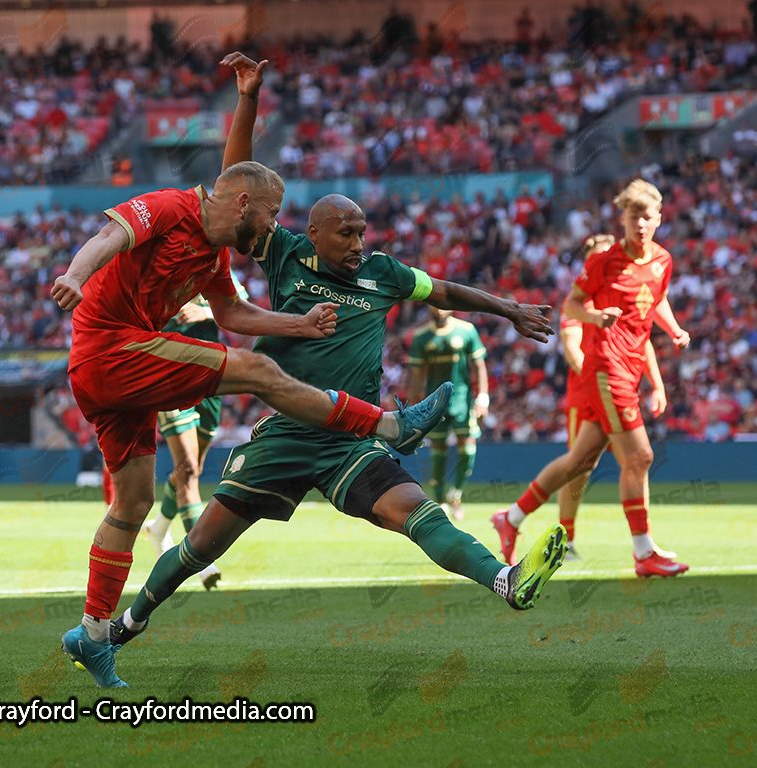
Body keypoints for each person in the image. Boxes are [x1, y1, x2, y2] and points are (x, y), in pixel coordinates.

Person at [86, 55, 563, 686]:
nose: (358, 242)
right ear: (312, 233)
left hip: (348, 444)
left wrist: (508, 310)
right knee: (202, 545)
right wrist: (248, 102)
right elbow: (238, 185)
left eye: (362, 231)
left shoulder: (384, 274)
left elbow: (443, 290)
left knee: (418, 514)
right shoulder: (285, 255)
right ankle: (125, 626)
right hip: (287, 435)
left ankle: (505, 580)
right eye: (345, 232)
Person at [492, 180, 691, 577]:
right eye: (633, 216)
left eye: (646, 217)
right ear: (623, 218)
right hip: (606, 370)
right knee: (640, 456)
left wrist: (673, 330)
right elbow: (571, 306)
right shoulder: (605, 262)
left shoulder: (662, 261)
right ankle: (643, 552)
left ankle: (510, 518)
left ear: (658, 219)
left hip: (630, 370)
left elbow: (658, 301)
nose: (639, 224)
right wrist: (595, 318)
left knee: (579, 461)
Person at [551, 233, 671, 562]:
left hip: (617, 388)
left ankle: (645, 542)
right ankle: (566, 537)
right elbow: (572, 348)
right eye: (598, 258)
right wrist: (597, 380)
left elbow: (641, 340)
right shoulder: (579, 302)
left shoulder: (627, 295)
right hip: (588, 394)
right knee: (580, 468)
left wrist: (656, 384)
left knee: (636, 462)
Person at [141, 280, 250, 590]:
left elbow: (240, 304)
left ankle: (159, 527)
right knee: (188, 468)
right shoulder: (162, 271)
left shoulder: (214, 267)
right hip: (171, 374)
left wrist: (202, 312)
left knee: (193, 469)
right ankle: (202, 561)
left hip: (210, 377)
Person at [406, 307, 488, 520]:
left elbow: (479, 365)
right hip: (434, 406)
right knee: (438, 452)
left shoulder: (467, 330)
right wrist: (414, 408)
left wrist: (483, 397)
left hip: (462, 401)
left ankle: (456, 494)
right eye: (434, 304)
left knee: (468, 449)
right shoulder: (421, 336)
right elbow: (416, 375)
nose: (440, 309)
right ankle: (440, 501)